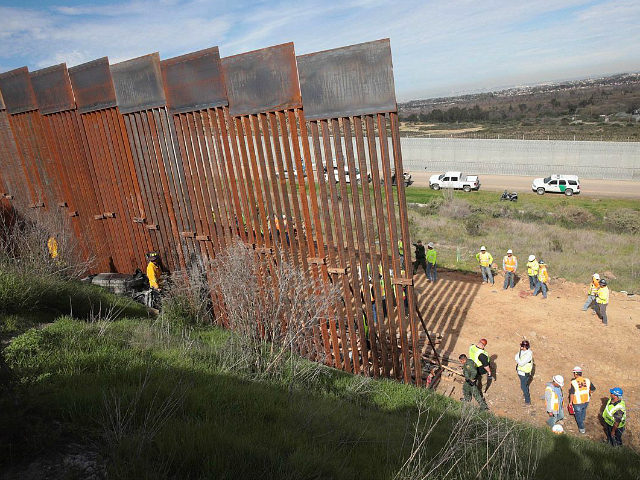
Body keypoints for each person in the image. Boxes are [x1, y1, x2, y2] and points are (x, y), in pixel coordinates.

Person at [568, 366, 596, 434]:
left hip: (577, 402)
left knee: (578, 416)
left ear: (576, 374)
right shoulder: (587, 380)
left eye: (574, 373)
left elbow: (572, 393)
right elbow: (593, 389)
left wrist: (570, 402)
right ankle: (583, 419)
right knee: (583, 410)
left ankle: (581, 428)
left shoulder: (574, 382)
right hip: (586, 400)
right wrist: (589, 394)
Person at [514, 340, 533, 405]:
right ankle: (525, 394)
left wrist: (517, 359)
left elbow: (521, 363)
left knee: (523, 386)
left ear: (524, 347)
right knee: (525, 384)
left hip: (524, 373)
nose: (520, 347)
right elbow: (516, 356)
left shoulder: (528, 354)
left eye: (521, 346)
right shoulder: (523, 351)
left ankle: (527, 400)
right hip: (521, 372)